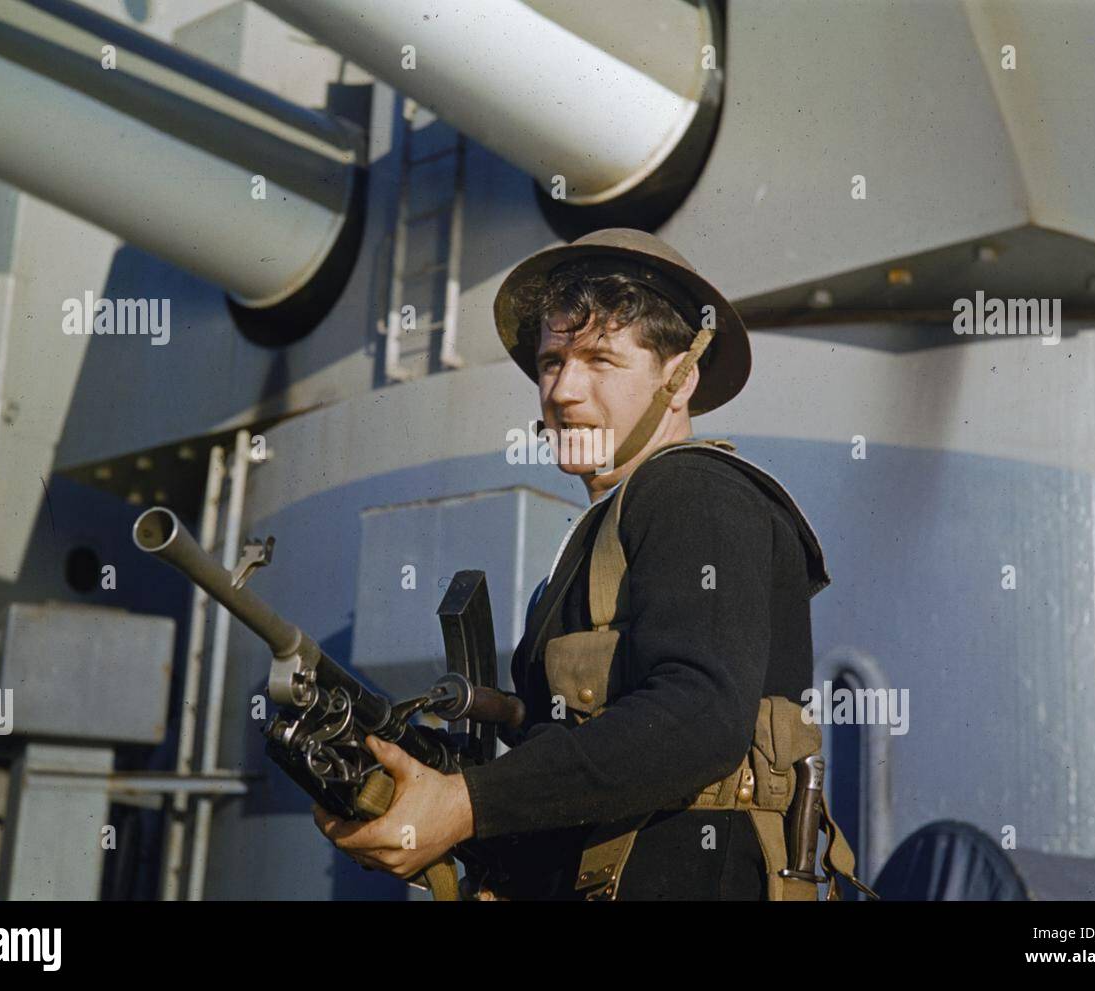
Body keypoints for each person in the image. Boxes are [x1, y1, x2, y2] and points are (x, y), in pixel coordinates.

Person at [314, 228, 858, 900]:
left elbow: (700, 717)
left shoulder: (694, 490)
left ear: (679, 377)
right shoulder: (603, 535)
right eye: (550, 362)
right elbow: (582, 774)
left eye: (600, 360)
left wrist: (465, 803)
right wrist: (414, 802)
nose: (564, 391)